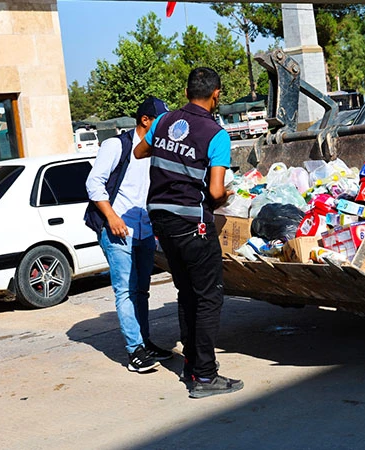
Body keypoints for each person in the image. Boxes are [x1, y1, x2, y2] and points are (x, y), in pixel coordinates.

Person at [133, 67, 243, 398]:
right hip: (192, 222)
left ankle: (192, 367)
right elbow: (214, 192)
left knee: (187, 293)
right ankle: (206, 377)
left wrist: (166, 147)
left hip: (161, 220)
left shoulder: (163, 122)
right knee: (209, 296)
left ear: (185, 92)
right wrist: (228, 195)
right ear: (216, 95)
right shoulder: (216, 134)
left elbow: (139, 151)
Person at [84, 97, 173, 373]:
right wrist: (112, 217)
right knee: (124, 290)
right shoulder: (116, 145)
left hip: (144, 229)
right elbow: (93, 183)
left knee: (141, 290)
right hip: (117, 229)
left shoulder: (156, 151)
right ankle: (134, 351)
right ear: (145, 120)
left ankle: (145, 342)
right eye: (160, 120)